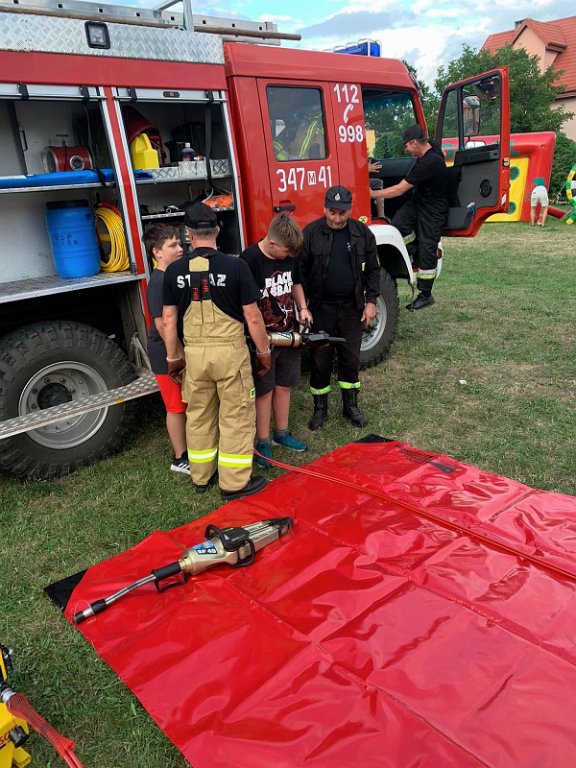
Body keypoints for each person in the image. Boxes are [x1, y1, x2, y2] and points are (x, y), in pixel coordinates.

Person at [162, 203, 271, 502]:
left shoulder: (173, 272)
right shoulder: (237, 267)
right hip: (230, 355)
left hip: (194, 357)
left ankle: (201, 475)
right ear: (217, 231)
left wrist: (174, 358)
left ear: (188, 234)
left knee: (198, 415)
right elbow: (253, 316)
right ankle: (234, 483)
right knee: (235, 416)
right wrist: (263, 351)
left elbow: (169, 320)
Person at [299, 185, 380, 431]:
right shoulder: (311, 233)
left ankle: (351, 407)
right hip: (321, 308)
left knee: (350, 358)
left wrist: (371, 302)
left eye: (341, 213)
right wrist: (303, 307)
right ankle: (319, 409)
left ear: (349, 210)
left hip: (351, 308)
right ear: (324, 208)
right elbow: (299, 274)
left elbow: (374, 270)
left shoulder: (362, 233)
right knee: (320, 359)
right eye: (332, 212)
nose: (336, 218)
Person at [241, 213, 311, 468]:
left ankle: (282, 433)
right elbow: (246, 306)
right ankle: (263, 440)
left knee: (285, 385)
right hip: (263, 340)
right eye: (285, 252)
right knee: (264, 390)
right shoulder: (249, 260)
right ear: (271, 244)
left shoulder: (290, 256)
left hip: (289, 335)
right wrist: (259, 342)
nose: (288, 257)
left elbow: (296, 283)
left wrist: (302, 308)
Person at [371, 124, 449, 310]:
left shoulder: (429, 162)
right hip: (419, 201)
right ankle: (412, 251)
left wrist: (371, 194)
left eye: (406, 145)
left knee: (428, 246)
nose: (406, 150)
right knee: (398, 224)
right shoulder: (430, 148)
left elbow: (400, 189)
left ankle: (426, 293)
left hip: (434, 207)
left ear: (415, 142)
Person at [144, 224, 189, 475]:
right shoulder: (157, 284)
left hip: (177, 350)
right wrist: (179, 356)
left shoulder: (172, 276)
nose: (180, 249)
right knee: (175, 407)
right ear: (157, 252)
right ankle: (179, 457)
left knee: (185, 403)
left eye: (179, 244)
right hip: (166, 354)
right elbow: (163, 326)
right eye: (172, 245)